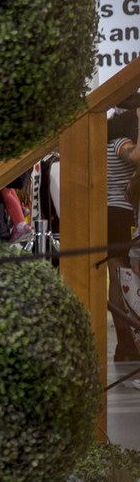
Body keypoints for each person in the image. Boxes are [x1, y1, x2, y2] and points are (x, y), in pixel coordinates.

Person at [108, 107, 140, 361]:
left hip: (108, 215)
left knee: (117, 280)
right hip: (124, 215)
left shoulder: (102, 136)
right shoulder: (119, 140)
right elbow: (137, 156)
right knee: (130, 277)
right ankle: (131, 341)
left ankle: (124, 343)